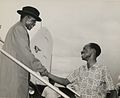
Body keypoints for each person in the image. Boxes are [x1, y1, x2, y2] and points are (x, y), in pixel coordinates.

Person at [0, 6, 48, 98]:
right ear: (27, 18)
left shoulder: (16, 28)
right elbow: (26, 54)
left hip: (12, 76)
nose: (34, 25)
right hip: (14, 77)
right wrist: (41, 69)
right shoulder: (19, 29)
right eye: (33, 21)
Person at [44, 43, 115, 98]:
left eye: (85, 48)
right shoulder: (80, 69)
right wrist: (47, 74)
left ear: (93, 51)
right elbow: (65, 81)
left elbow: (112, 90)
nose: (82, 51)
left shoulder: (103, 69)